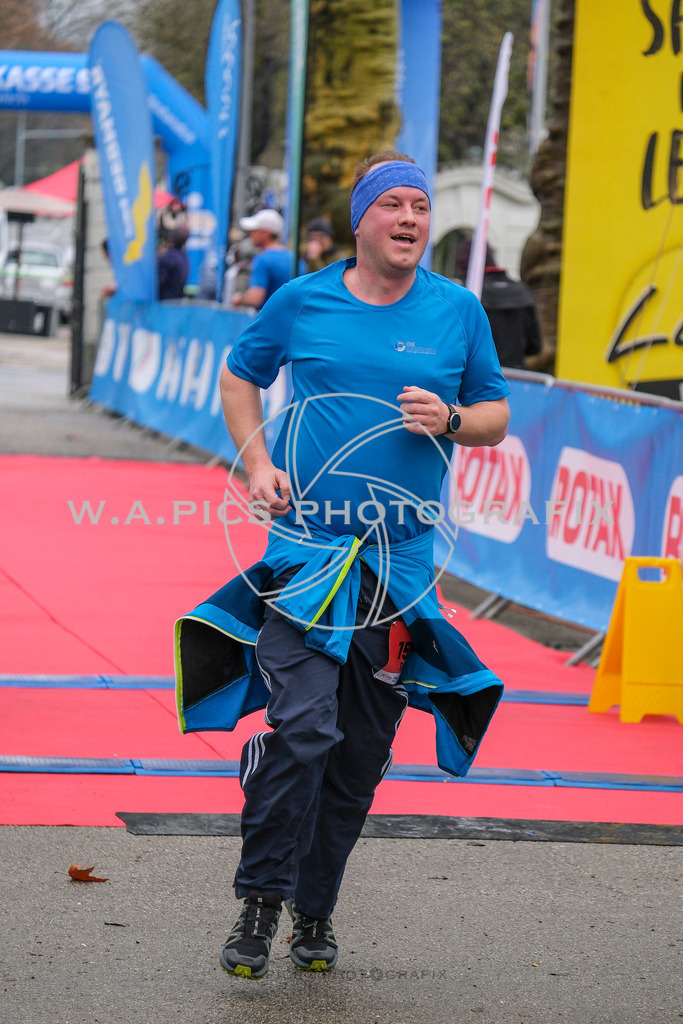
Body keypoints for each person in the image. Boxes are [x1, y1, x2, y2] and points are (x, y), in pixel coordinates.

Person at [174, 150, 510, 980]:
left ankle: (314, 911)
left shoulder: (458, 310)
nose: (409, 220)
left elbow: (497, 416)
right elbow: (239, 377)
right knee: (308, 729)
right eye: (392, 205)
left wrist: (454, 417)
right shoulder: (301, 299)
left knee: (357, 753)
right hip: (309, 554)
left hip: (399, 570)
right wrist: (255, 464)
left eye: (420, 207)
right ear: (359, 217)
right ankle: (259, 903)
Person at [456, 239, 542, 369]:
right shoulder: (522, 291)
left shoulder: (469, 296)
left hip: (478, 377)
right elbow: (535, 346)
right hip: (516, 376)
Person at [230, 209, 292, 310]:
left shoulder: (262, 260)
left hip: (269, 321)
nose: (250, 234)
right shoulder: (295, 259)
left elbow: (255, 298)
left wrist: (239, 299)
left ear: (266, 232)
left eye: (254, 230)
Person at [157, 224, 189, 300]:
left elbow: (157, 283)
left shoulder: (169, 258)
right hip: (176, 302)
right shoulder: (184, 258)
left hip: (165, 304)